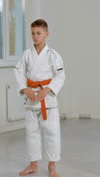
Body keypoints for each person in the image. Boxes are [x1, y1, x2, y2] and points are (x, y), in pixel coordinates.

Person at [14, 19, 65, 177]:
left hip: (47, 99)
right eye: (33, 33)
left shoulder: (53, 55)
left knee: (52, 133)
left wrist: (48, 89)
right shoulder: (27, 54)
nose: (35, 36)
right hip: (31, 98)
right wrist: (24, 89)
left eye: (38, 33)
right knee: (31, 133)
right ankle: (33, 164)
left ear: (46, 34)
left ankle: (52, 166)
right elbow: (18, 72)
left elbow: (60, 75)